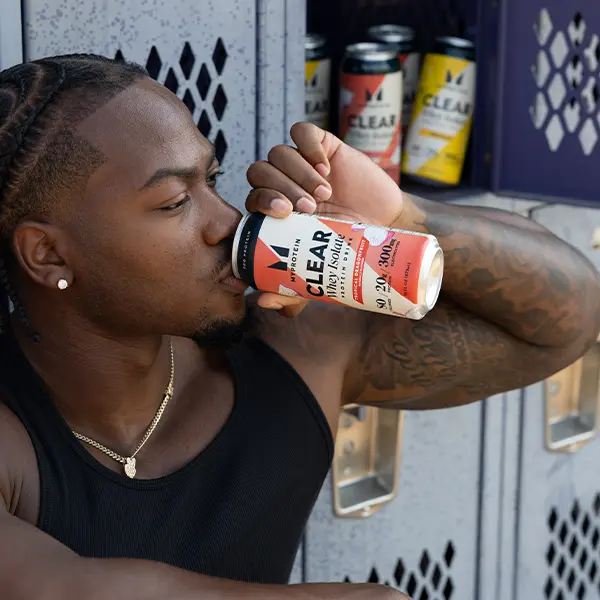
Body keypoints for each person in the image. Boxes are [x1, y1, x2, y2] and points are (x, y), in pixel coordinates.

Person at [0, 53, 597, 600]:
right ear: (48, 255)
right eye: (175, 202)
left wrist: (404, 217)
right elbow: (59, 587)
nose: (226, 221)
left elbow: (566, 320)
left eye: (212, 180)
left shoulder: (293, 348)